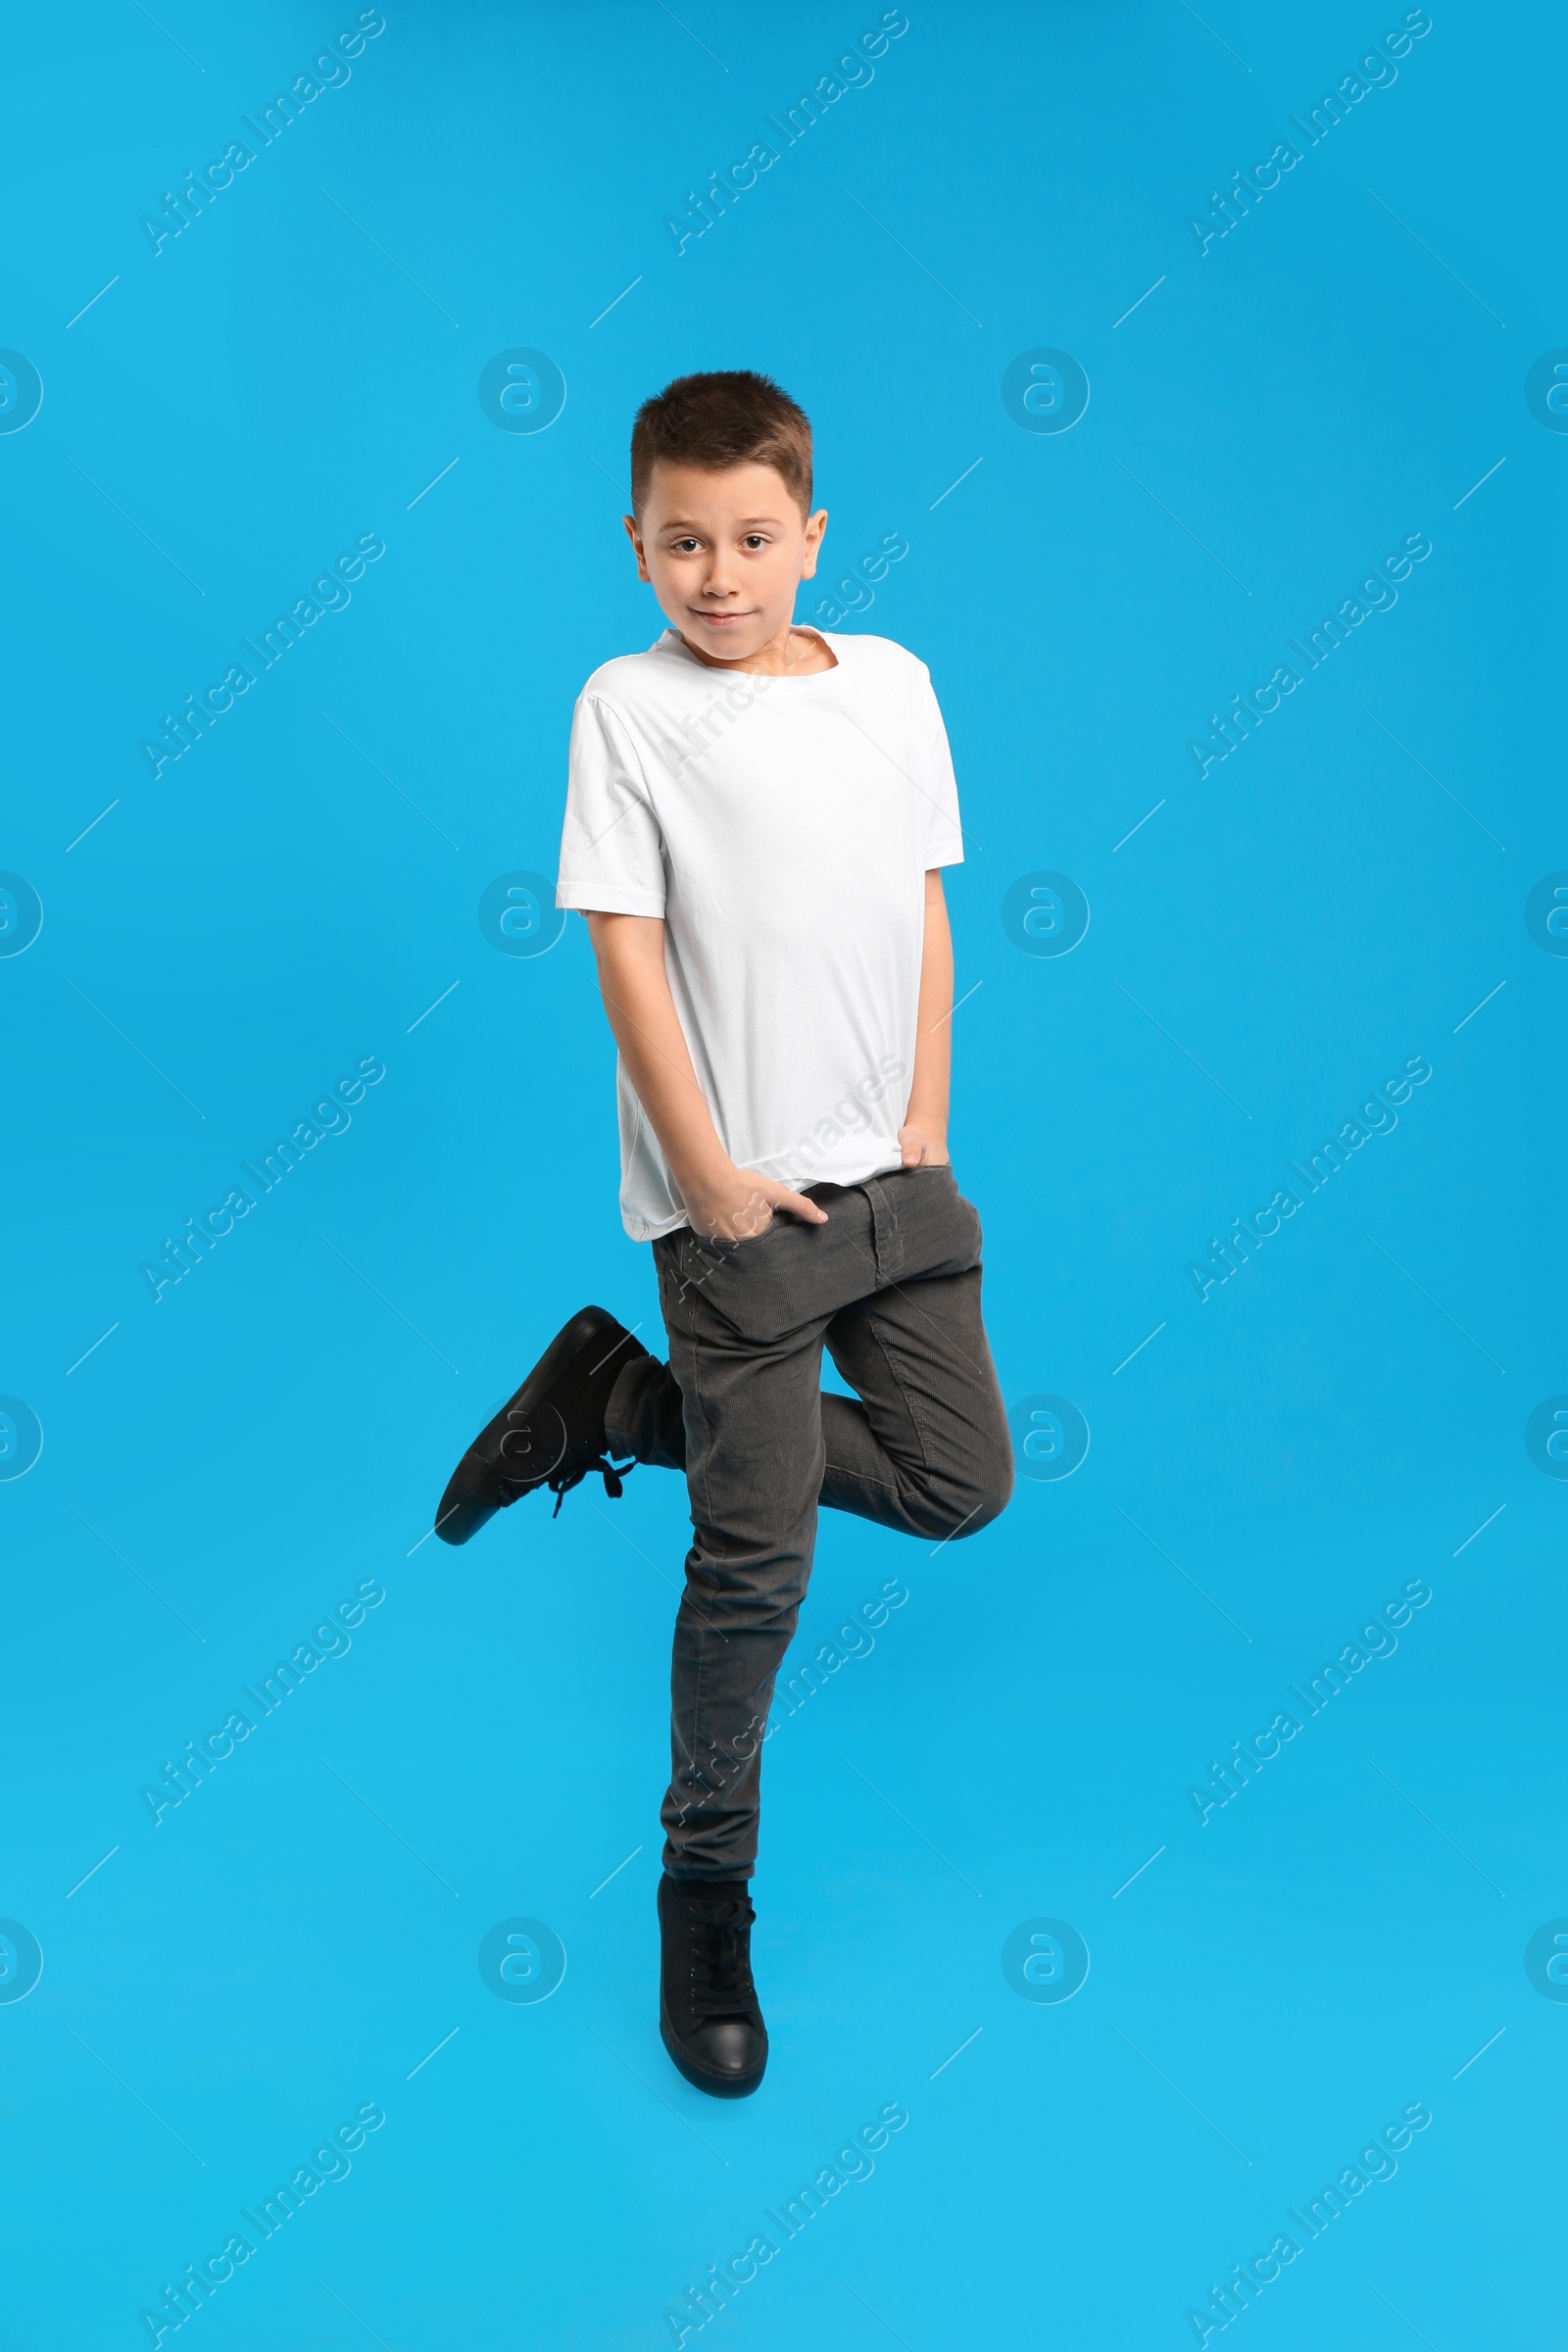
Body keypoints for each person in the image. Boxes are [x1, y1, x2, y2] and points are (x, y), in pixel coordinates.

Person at [436, 370, 1012, 2097]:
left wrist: (924, 1120)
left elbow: (921, 907)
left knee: (959, 1481)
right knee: (756, 1570)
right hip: (736, 1206)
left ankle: (616, 1407)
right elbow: (623, 950)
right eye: (682, 542)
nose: (721, 574)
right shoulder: (627, 708)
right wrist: (709, 1182)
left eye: (754, 538)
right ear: (636, 546)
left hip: (894, 1182)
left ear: (814, 536)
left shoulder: (896, 685)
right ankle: (704, 1894)